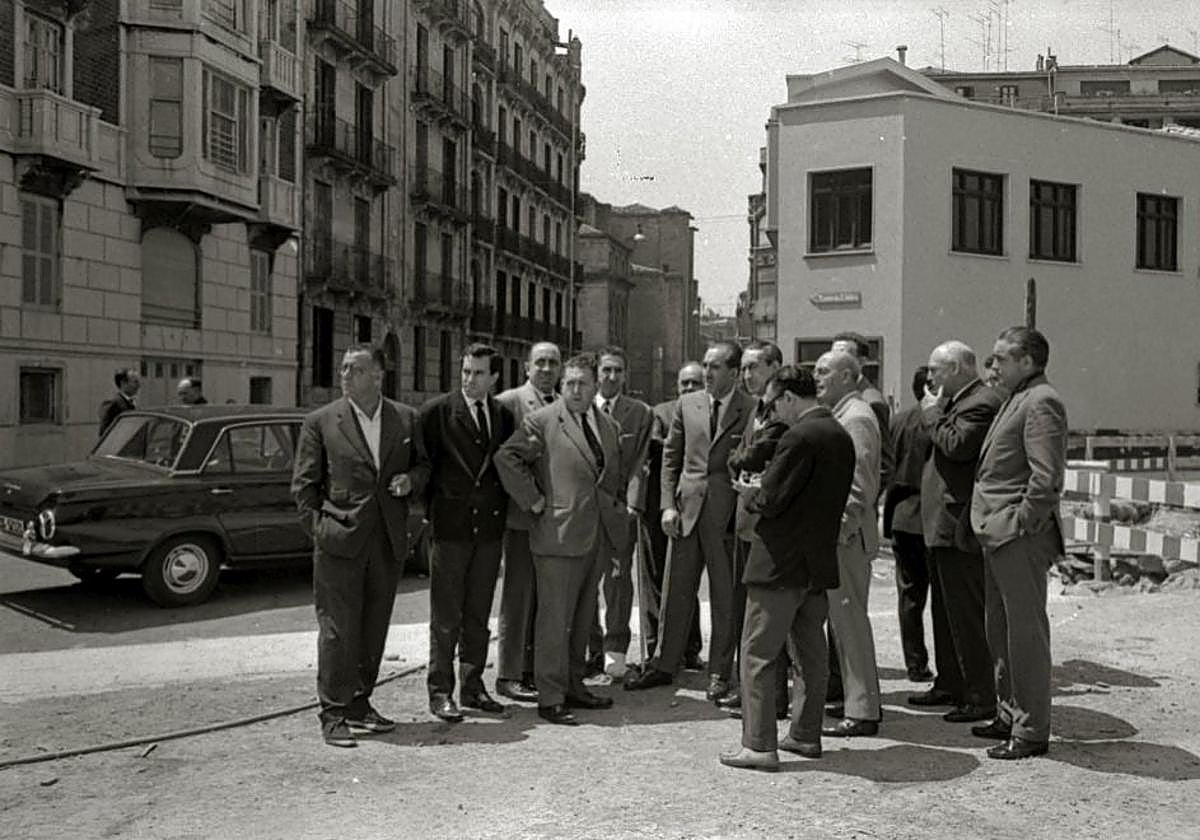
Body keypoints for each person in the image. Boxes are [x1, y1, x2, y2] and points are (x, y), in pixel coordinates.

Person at [291, 343, 430, 748]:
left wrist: (411, 482)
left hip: (386, 540)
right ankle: (332, 712)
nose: (345, 375)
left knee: (373, 628)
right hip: (339, 541)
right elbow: (304, 487)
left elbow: (423, 466)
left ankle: (359, 702)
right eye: (343, 368)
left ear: (378, 376)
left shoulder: (405, 419)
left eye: (355, 369)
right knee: (337, 630)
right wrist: (322, 530)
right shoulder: (321, 421)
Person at [719, 367, 855, 772]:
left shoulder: (798, 436)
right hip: (817, 563)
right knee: (811, 654)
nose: (772, 411)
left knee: (758, 653)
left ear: (790, 398)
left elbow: (774, 498)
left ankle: (758, 744)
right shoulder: (839, 433)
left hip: (780, 563)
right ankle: (805, 733)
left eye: (774, 403)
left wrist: (752, 492)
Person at [495, 352, 624, 726]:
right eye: (569, 383)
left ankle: (573, 685)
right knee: (553, 620)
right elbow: (507, 459)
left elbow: (608, 474)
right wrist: (533, 500)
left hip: (594, 535)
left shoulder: (607, 424)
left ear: (596, 384)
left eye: (583, 383)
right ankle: (550, 696)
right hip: (556, 536)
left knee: (583, 617)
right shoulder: (543, 421)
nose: (575, 390)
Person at [626, 341, 756, 700]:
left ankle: (719, 671)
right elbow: (671, 458)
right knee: (675, 591)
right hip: (685, 512)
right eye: (705, 366)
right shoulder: (688, 404)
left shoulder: (751, 408)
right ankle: (664, 664)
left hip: (726, 516)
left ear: (733, 372)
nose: (708, 373)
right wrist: (667, 505)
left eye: (715, 367)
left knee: (725, 596)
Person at [970, 327, 1067, 760]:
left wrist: (1020, 523)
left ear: (1027, 361)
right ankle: (1009, 712)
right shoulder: (1017, 397)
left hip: (1016, 536)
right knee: (1000, 628)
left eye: (1000, 359)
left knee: (1025, 633)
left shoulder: (1041, 401)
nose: (992, 368)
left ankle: (1031, 729)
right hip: (997, 532)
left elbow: (1046, 478)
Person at [419, 343, 515, 722]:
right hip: (451, 529)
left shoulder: (503, 416)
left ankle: (473, 688)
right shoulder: (436, 413)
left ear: (493, 377)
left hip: (489, 530)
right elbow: (424, 469)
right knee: (446, 617)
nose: (469, 380)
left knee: (478, 614)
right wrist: (433, 514)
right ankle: (441, 692)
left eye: (478, 373)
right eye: (465, 372)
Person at [915, 341, 1004, 725]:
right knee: (945, 609)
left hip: (959, 524)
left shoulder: (981, 402)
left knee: (965, 612)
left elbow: (957, 446)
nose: (930, 378)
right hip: (942, 523)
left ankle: (980, 695)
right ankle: (950, 682)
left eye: (935, 370)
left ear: (955, 369)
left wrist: (934, 416)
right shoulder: (958, 402)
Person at [814, 350, 883, 737]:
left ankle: (863, 710)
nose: (817, 376)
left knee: (850, 622)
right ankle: (856, 701)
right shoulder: (844, 414)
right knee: (843, 623)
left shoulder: (856, 418)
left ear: (845, 376)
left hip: (847, 536)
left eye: (824, 371)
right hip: (842, 534)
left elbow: (859, 485)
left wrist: (839, 529)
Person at [716, 339, 786, 713]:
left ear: (775, 366)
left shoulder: (782, 412)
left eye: (753, 367)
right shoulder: (755, 409)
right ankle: (752, 692)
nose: (746, 374)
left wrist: (738, 461)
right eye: (743, 368)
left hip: (769, 524)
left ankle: (768, 699)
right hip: (747, 522)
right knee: (748, 613)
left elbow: (750, 459)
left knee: (768, 618)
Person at [493, 341, 562, 703]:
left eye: (553, 363)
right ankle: (508, 673)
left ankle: (534, 668)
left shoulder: (563, 404)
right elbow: (503, 460)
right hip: (522, 516)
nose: (547, 369)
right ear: (526, 367)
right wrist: (529, 498)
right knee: (518, 596)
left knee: (544, 597)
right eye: (540, 363)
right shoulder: (509, 402)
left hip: (554, 521)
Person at [585, 346, 653, 679]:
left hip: (619, 511)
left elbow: (641, 463)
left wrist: (632, 505)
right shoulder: (580, 406)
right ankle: (590, 648)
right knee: (584, 583)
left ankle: (615, 650)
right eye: (606, 370)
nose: (612, 377)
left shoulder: (639, 413)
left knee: (617, 583)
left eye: (618, 371)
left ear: (626, 375)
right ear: (596, 373)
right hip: (584, 511)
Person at [638, 363, 706, 673]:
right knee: (656, 581)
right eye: (685, 383)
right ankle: (657, 648)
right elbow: (656, 451)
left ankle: (690, 649)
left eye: (696, 383)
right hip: (660, 508)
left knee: (686, 581)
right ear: (676, 387)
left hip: (697, 509)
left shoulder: (710, 412)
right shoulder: (661, 413)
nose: (690, 388)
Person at [882, 366, 935, 683]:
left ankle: (915, 663)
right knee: (940, 599)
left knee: (910, 596)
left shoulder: (898, 420)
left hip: (902, 514)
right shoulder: (934, 422)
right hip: (929, 515)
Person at [99, 368, 140, 437]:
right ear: (123, 383)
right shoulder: (113, 405)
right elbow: (104, 434)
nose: (138, 386)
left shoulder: (131, 403)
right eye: (135, 382)